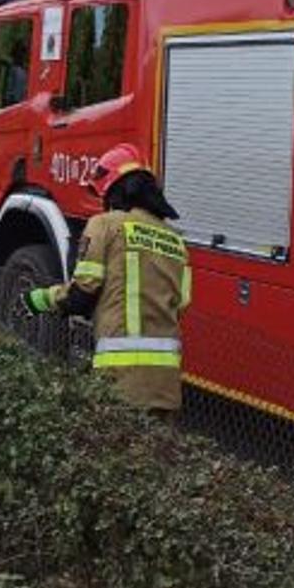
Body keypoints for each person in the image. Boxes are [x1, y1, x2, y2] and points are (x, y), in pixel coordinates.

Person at [25, 144, 191, 413]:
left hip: (120, 381)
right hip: (166, 386)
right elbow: (182, 303)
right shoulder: (176, 241)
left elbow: (82, 294)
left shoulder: (106, 225)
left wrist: (39, 299)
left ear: (115, 191)